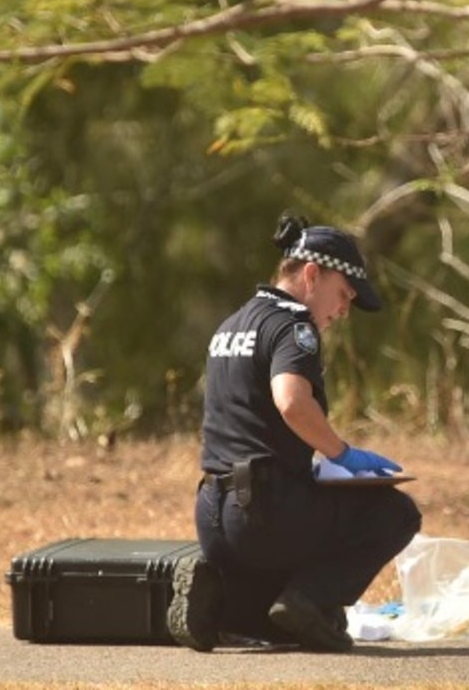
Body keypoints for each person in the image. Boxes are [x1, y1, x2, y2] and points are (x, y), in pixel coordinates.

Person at [168, 214, 422, 652]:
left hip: (213, 513)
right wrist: (341, 454)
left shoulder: (232, 324)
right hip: (265, 512)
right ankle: (309, 597)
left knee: (278, 624)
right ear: (311, 274)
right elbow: (291, 402)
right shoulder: (293, 326)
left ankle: (224, 601)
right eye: (343, 294)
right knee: (396, 513)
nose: (343, 310)